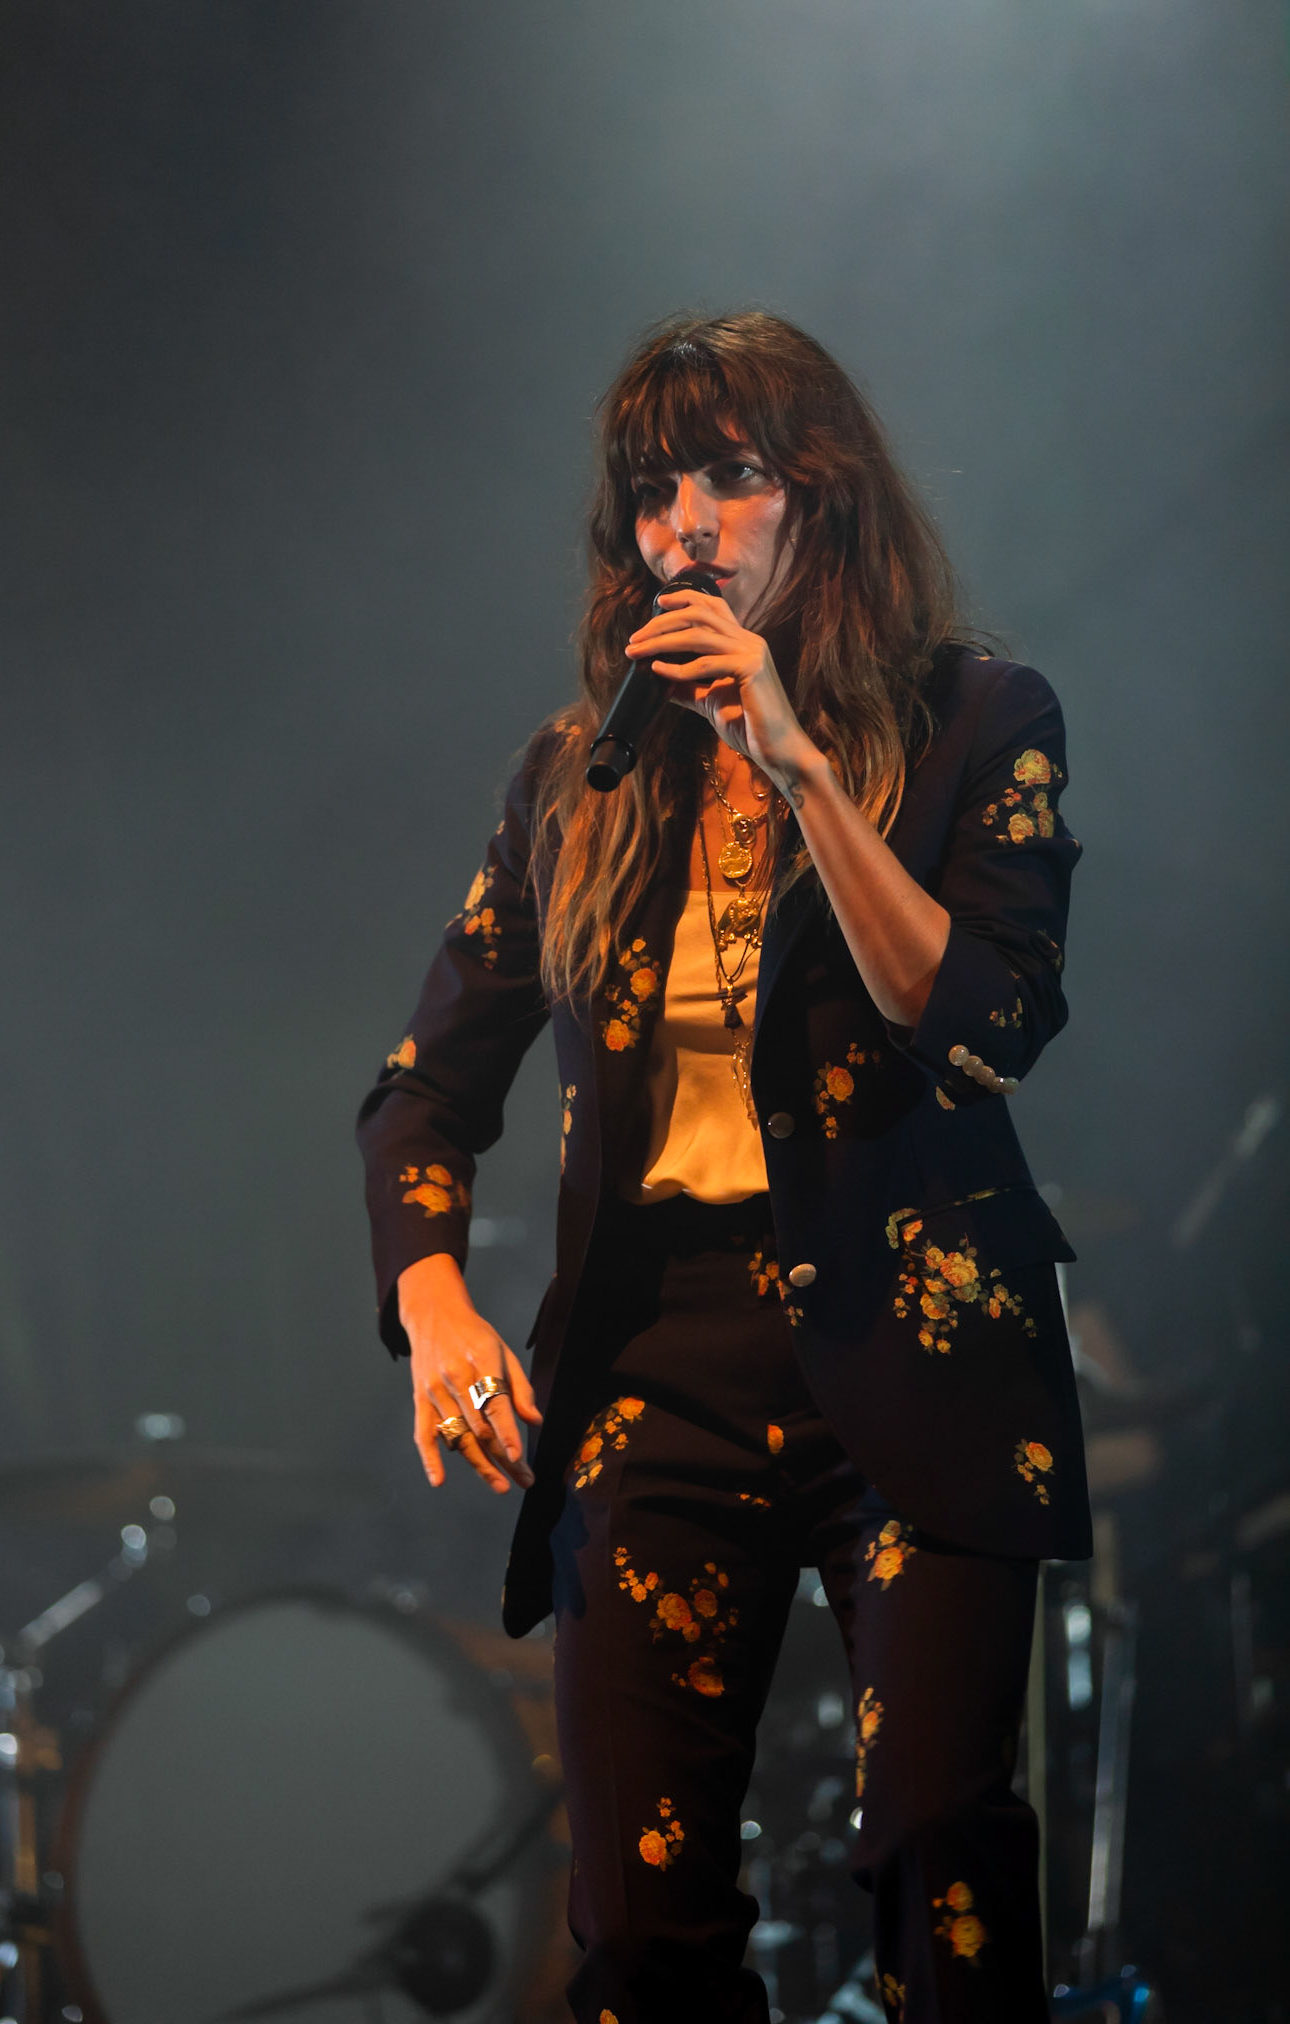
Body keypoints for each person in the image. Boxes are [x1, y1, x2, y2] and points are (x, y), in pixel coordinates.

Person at [357, 311, 1090, 2024]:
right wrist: (439, 1304)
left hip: (912, 1339)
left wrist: (802, 771)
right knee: (637, 1928)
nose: (681, 522)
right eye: (648, 491)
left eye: (728, 476)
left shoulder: (978, 715)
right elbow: (419, 1089)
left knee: (939, 1856)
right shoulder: (579, 780)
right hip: (654, 1366)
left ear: (819, 500)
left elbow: (984, 1023)